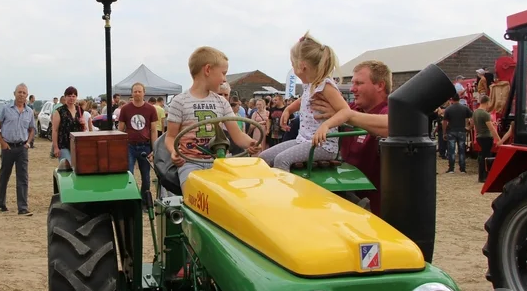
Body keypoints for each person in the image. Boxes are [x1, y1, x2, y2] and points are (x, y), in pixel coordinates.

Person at [165, 46, 259, 187]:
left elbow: (238, 135)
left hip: (218, 161)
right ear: (208, 70)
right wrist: (174, 151)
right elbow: (170, 136)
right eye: (223, 73)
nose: (224, 79)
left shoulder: (221, 102)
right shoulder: (180, 102)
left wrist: (250, 143)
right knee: (196, 192)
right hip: (190, 163)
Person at [259, 32, 350, 171]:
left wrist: (326, 125)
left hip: (322, 145)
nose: (293, 68)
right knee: (264, 157)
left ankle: (284, 192)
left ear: (302, 66)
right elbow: (303, 100)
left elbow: (345, 111)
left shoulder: (326, 86)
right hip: (303, 141)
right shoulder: (311, 85)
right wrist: (288, 110)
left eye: (292, 64)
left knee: (281, 159)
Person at [311, 60, 392, 215]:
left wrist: (345, 116)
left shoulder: (388, 110)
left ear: (380, 85)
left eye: (359, 83)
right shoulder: (353, 108)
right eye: (352, 83)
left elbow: (391, 126)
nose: (352, 89)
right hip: (347, 199)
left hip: (375, 208)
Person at [0, 83, 36, 216]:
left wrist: (28, 143)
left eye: (24, 93)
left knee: (22, 177)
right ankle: (1, 203)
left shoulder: (29, 112)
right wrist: (2, 142)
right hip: (8, 147)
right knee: (4, 175)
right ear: (14, 93)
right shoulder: (6, 109)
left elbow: (32, 129)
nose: (21, 95)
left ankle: (22, 207)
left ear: (27, 96)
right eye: (19, 92)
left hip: (22, 148)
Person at [118, 82, 159, 203]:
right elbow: (120, 129)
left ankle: (144, 202)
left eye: (139, 91)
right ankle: (130, 201)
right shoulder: (125, 109)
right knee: (129, 175)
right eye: (135, 91)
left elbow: (153, 130)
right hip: (129, 146)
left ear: (144, 93)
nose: (137, 93)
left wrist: (154, 149)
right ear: (131, 93)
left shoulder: (151, 109)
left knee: (146, 177)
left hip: (145, 146)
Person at [52, 87, 85, 164]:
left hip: (77, 144)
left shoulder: (80, 110)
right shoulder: (59, 111)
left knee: (78, 167)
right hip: (64, 144)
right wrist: (56, 147)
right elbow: (55, 130)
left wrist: (83, 123)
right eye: (69, 96)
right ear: (65, 97)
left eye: (73, 96)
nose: (71, 98)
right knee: (67, 167)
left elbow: (84, 127)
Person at [474, 94, 502, 183]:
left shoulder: (476, 112)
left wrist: (492, 123)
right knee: (486, 157)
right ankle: (484, 176)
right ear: (487, 102)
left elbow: (477, 124)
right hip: (486, 137)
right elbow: (492, 129)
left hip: (479, 137)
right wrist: (498, 139)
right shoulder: (485, 114)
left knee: (481, 157)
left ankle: (481, 176)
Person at [443, 95, 473, 174]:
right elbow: (472, 118)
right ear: (459, 99)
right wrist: (469, 127)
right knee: (462, 150)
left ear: (452, 99)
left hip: (451, 131)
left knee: (451, 150)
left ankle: (451, 168)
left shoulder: (448, 109)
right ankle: (462, 169)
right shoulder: (465, 108)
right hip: (462, 131)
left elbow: (445, 122)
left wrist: (444, 132)